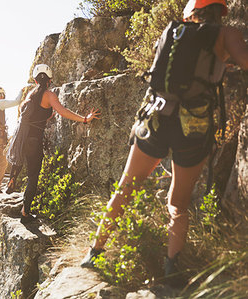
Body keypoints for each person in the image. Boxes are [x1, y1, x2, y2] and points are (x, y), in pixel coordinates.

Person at [80, 0, 248, 287]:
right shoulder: (226, 35)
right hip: (192, 126)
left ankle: (93, 253)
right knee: (178, 203)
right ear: (221, 11)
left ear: (190, 12)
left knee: (126, 186)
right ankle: (171, 276)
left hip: (155, 117)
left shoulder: (173, 32)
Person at [6, 64, 100, 223]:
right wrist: (85, 119)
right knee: (33, 177)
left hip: (22, 139)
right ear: (49, 80)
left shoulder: (30, 95)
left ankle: (13, 177)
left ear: (36, 81)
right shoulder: (49, 96)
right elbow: (63, 112)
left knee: (26, 168)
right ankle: (25, 213)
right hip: (34, 141)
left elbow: (28, 115)